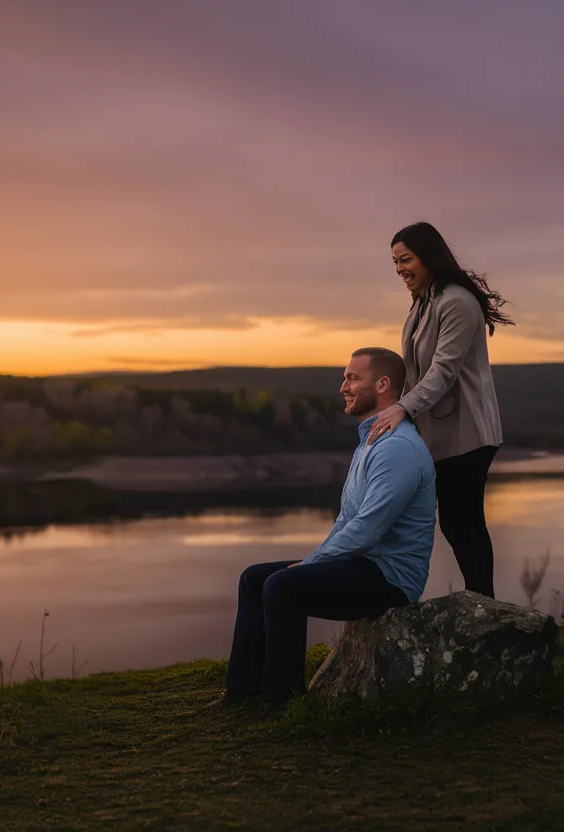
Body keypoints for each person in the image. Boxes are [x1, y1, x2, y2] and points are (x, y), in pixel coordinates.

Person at [211, 348, 436, 710]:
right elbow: (347, 519)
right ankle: (241, 693)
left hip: (390, 579)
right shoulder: (371, 443)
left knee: (283, 586)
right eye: (345, 377)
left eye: (352, 378)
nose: (343, 386)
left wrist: (313, 563)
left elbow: (366, 530)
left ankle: (281, 702)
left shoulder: (399, 449)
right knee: (254, 578)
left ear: (382, 385)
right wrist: (318, 560)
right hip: (363, 565)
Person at [367, 222, 513, 598]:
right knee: (460, 522)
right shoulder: (425, 301)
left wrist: (402, 408)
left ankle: (483, 608)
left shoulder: (456, 302)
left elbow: (443, 372)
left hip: (468, 433)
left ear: (428, 257)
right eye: (395, 261)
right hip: (443, 434)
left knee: (462, 523)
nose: (400, 268)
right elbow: (415, 369)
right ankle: (484, 606)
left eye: (406, 259)